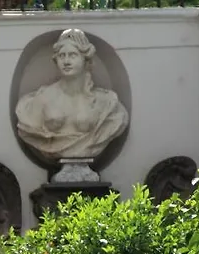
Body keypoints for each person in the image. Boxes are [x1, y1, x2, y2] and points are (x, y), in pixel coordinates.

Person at [14, 28, 129, 163]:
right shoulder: (43, 98)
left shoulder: (107, 103)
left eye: (73, 55)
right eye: (62, 56)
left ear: (85, 60)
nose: (66, 61)